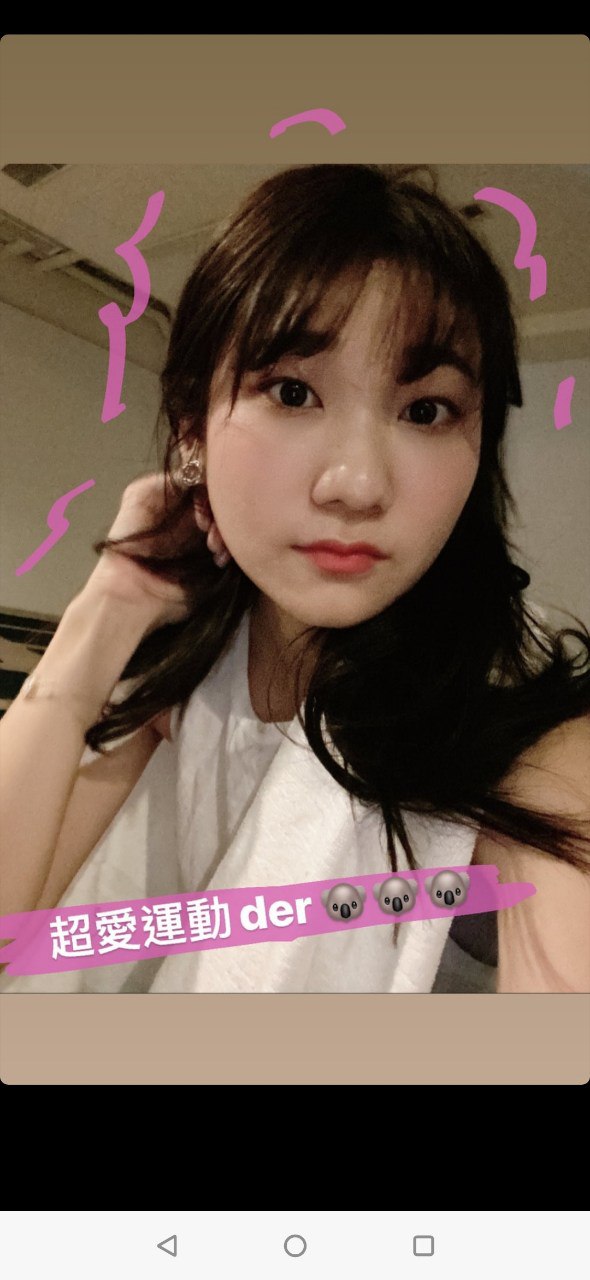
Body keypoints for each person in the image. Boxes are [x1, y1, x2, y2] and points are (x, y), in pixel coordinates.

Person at [1, 164, 589, 994]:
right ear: (192, 429)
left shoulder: (532, 752)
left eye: (426, 410)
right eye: (291, 391)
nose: (358, 484)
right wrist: (110, 605)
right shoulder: (188, 683)